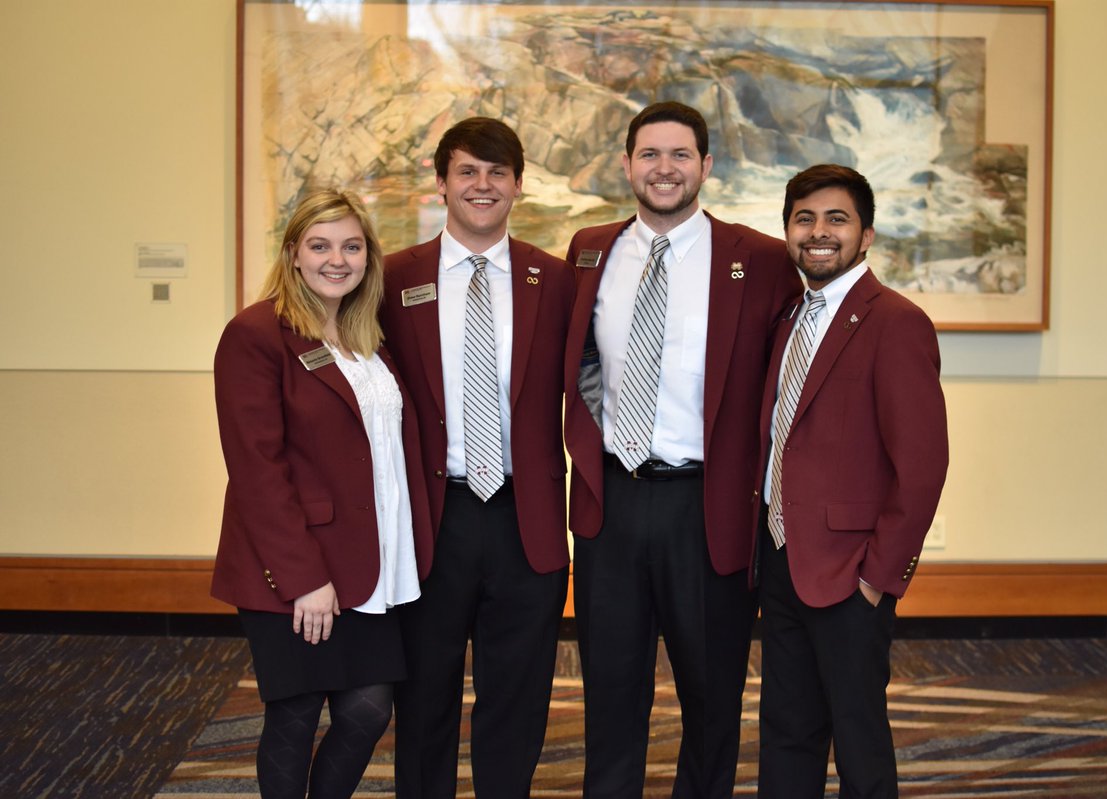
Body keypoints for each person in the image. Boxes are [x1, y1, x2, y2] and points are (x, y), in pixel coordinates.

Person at [562, 101, 803, 797]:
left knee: (710, 695)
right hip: (611, 501)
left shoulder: (758, 259)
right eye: (649, 154)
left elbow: (788, 379)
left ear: (706, 165)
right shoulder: (589, 249)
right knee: (610, 692)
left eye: (679, 155)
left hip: (707, 506)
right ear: (626, 165)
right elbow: (580, 366)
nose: (663, 168)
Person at [212, 188, 432, 798]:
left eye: (351, 247)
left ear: (368, 257)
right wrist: (303, 578)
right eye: (320, 246)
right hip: (297, 566)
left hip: (369, 563)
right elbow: (256, 470)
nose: (337, 260)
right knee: (296, 715)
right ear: (293, 253)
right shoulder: (257, 333)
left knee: (368, 712)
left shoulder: (367, 336)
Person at [379, 117, 572, 798]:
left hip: (526, 517)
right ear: (441, 182)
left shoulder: (555, 280)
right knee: (423, 696)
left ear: (519, 185)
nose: (482, 185)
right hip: (433, 518)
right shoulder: (392, 279)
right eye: (467, 171)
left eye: (497, 173)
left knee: (517, 699)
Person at [754, 164, 950, 798]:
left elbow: (922, 466)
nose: (818, 232)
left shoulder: (895, 321)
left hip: (850, 573)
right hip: (781, 559)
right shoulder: (789, 317)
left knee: (859, 740)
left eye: (836, 219)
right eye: (804, 219)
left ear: (865, 235)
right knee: (786, 731)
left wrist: (877, 578)